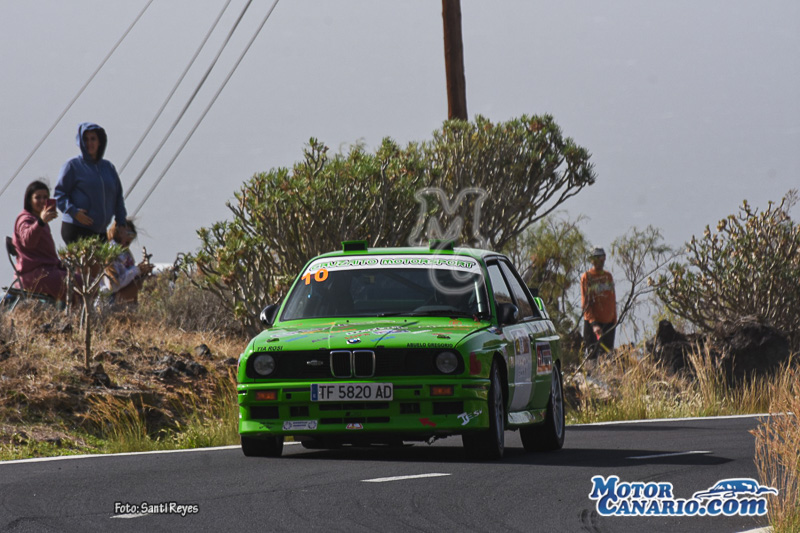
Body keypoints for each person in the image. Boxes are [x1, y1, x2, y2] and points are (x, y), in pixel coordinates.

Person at [54, 122, 127, 244]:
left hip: (100, 230)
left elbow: (118, 198)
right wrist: (74, 212)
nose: (89, 143)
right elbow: (59, 195)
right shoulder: (73, 166)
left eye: (93, 139)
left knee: (103, 257)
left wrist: (121, 223)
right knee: (87, 257)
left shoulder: (108, 168)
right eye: (85, 139)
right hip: (77, 227)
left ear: (99, 142)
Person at [12, 181, 69, 301]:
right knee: (80, 285)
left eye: (45, 197)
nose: (42, 201)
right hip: (35, 275)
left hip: (47, 271)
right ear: (29, 200)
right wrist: (41, 222)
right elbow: (28, 241)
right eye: (37, 197)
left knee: (82, 280)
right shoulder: (25, 219)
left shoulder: (38, 220)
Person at [102, 219, 153, 305]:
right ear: (118, 232)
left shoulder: (125, 252)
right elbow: (113, 285)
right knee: (148, 282)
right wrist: (137, 270)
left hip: (120, 295)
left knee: (151, 279)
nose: (131, 237)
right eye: (129, 233)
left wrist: (142, 271)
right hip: (109, 299)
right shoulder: (111, 251)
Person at [580, 247, 617, 359]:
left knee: (607, 357)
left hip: (609, 324)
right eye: (596, 258)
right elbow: (585, 303)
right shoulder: (587, 277)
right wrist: (594, 324)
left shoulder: (608, 276)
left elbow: (612, 298)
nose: (599, 261)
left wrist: (614, 319)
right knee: (592, 356)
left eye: (601, 258)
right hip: (594, 325)